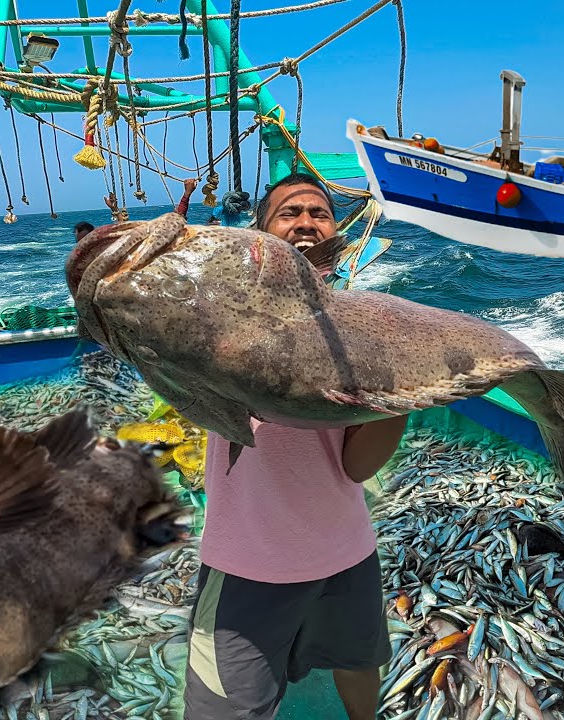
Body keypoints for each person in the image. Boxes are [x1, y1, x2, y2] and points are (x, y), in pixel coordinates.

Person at [183, 172, 407, 720]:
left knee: (358, 661)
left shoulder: (363, 325)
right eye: (289, 212)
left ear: (337, 231)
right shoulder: (223, 305)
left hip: (346, 551)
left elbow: (355, 467)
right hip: (246, 561)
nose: (307, 221)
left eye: (320, 212)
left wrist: (405, 395)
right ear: (260, 230)